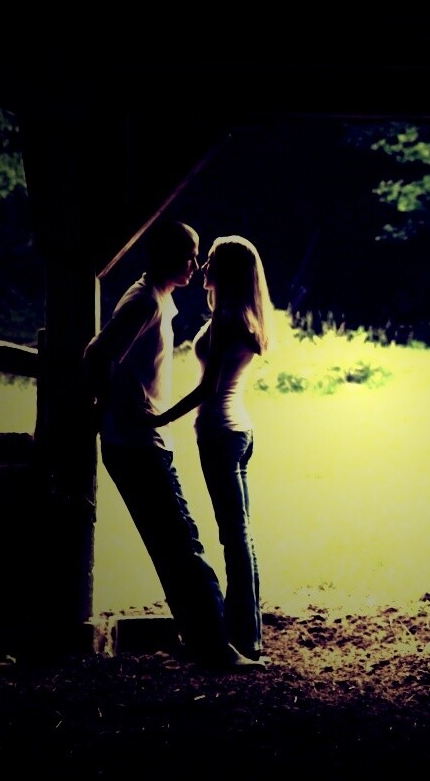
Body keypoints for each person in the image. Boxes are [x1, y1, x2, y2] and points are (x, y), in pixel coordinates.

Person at [82, 220, 264, 671]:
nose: (196, 264)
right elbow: (98, 354)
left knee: (178, 544)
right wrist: (111, 408)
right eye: (188, 254)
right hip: (137, 443)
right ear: (163, 255)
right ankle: (217, 647)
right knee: (183, 545)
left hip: (147, 439)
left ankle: (209, 640)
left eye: (199, 254)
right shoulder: (145, 301)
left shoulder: (158, 300)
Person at [147, 235, 275, 662]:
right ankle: (246, 633)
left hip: (220, 435)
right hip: (238, 431)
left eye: (212, 261)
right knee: (239, 535)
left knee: (234, 537)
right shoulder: (241, 317)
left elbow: (207, 390)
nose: (203, 267)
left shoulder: (226, 321)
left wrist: (160, 418)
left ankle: (244, 639)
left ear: (228, 272)